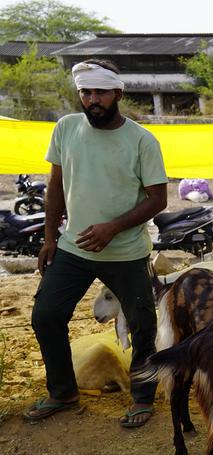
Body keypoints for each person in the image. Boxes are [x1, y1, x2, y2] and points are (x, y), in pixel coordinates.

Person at [24, 60, 168, 427]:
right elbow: (55, 187)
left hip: (126, 252)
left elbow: (157, 199)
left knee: (142, 326)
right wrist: (50, 238)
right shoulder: (66, 128)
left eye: (100, 92)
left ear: (117, 93)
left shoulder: (141, 140)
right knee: (46, 315)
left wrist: (112, 228)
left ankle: (141, 398)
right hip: (74, 247)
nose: (92, 100)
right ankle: (63, 392)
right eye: (85, 93)